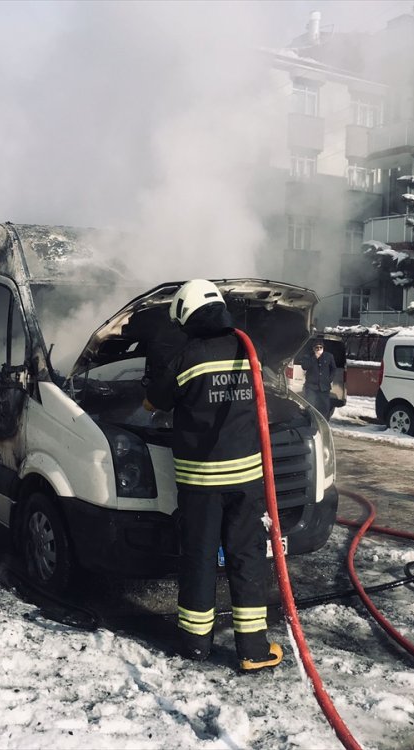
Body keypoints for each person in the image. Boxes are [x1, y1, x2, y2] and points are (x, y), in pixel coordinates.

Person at [143, 279, 282, 673]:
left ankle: (194, 643)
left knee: (200, 558)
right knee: (247, 557)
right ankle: (253, 649)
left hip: (202, 482)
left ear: (185, 313)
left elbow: (154, 401)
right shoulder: (248, 350)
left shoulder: (188, 356)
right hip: (247, 479)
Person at [298, 340, 337, 419]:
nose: (319, 349)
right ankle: (310, 422)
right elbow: (304, 366)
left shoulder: (329, 356)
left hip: (324, 387)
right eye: (317, 347)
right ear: (313, 348)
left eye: (320, 347)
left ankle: (323, 424)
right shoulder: (308, 356)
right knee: (310, 406)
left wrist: (329, 379)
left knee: (324, 407)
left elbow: (333, 369)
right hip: (311, 387)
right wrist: (315, 357)